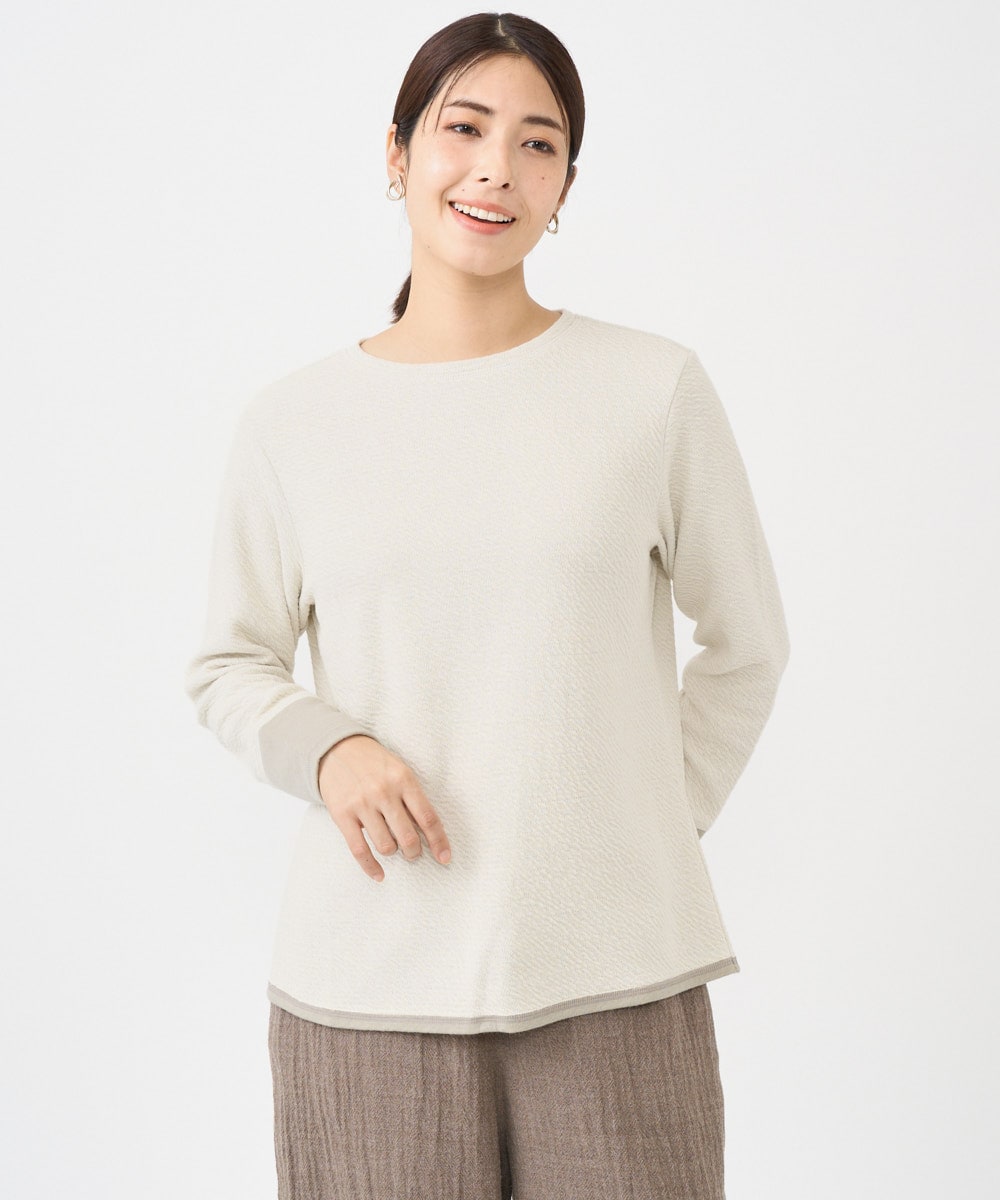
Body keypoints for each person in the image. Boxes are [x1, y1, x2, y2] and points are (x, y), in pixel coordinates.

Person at [184, 12, 790, 1199]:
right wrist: (329, 750)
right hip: (364, 989)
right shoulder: (293, 423)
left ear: (564, 187)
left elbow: (747, 645)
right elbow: (227, 663)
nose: (496, 169)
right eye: (463, 129)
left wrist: (650, 816)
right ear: (398, 152)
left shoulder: (650, 389)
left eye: (537, 143)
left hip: (616, 972)